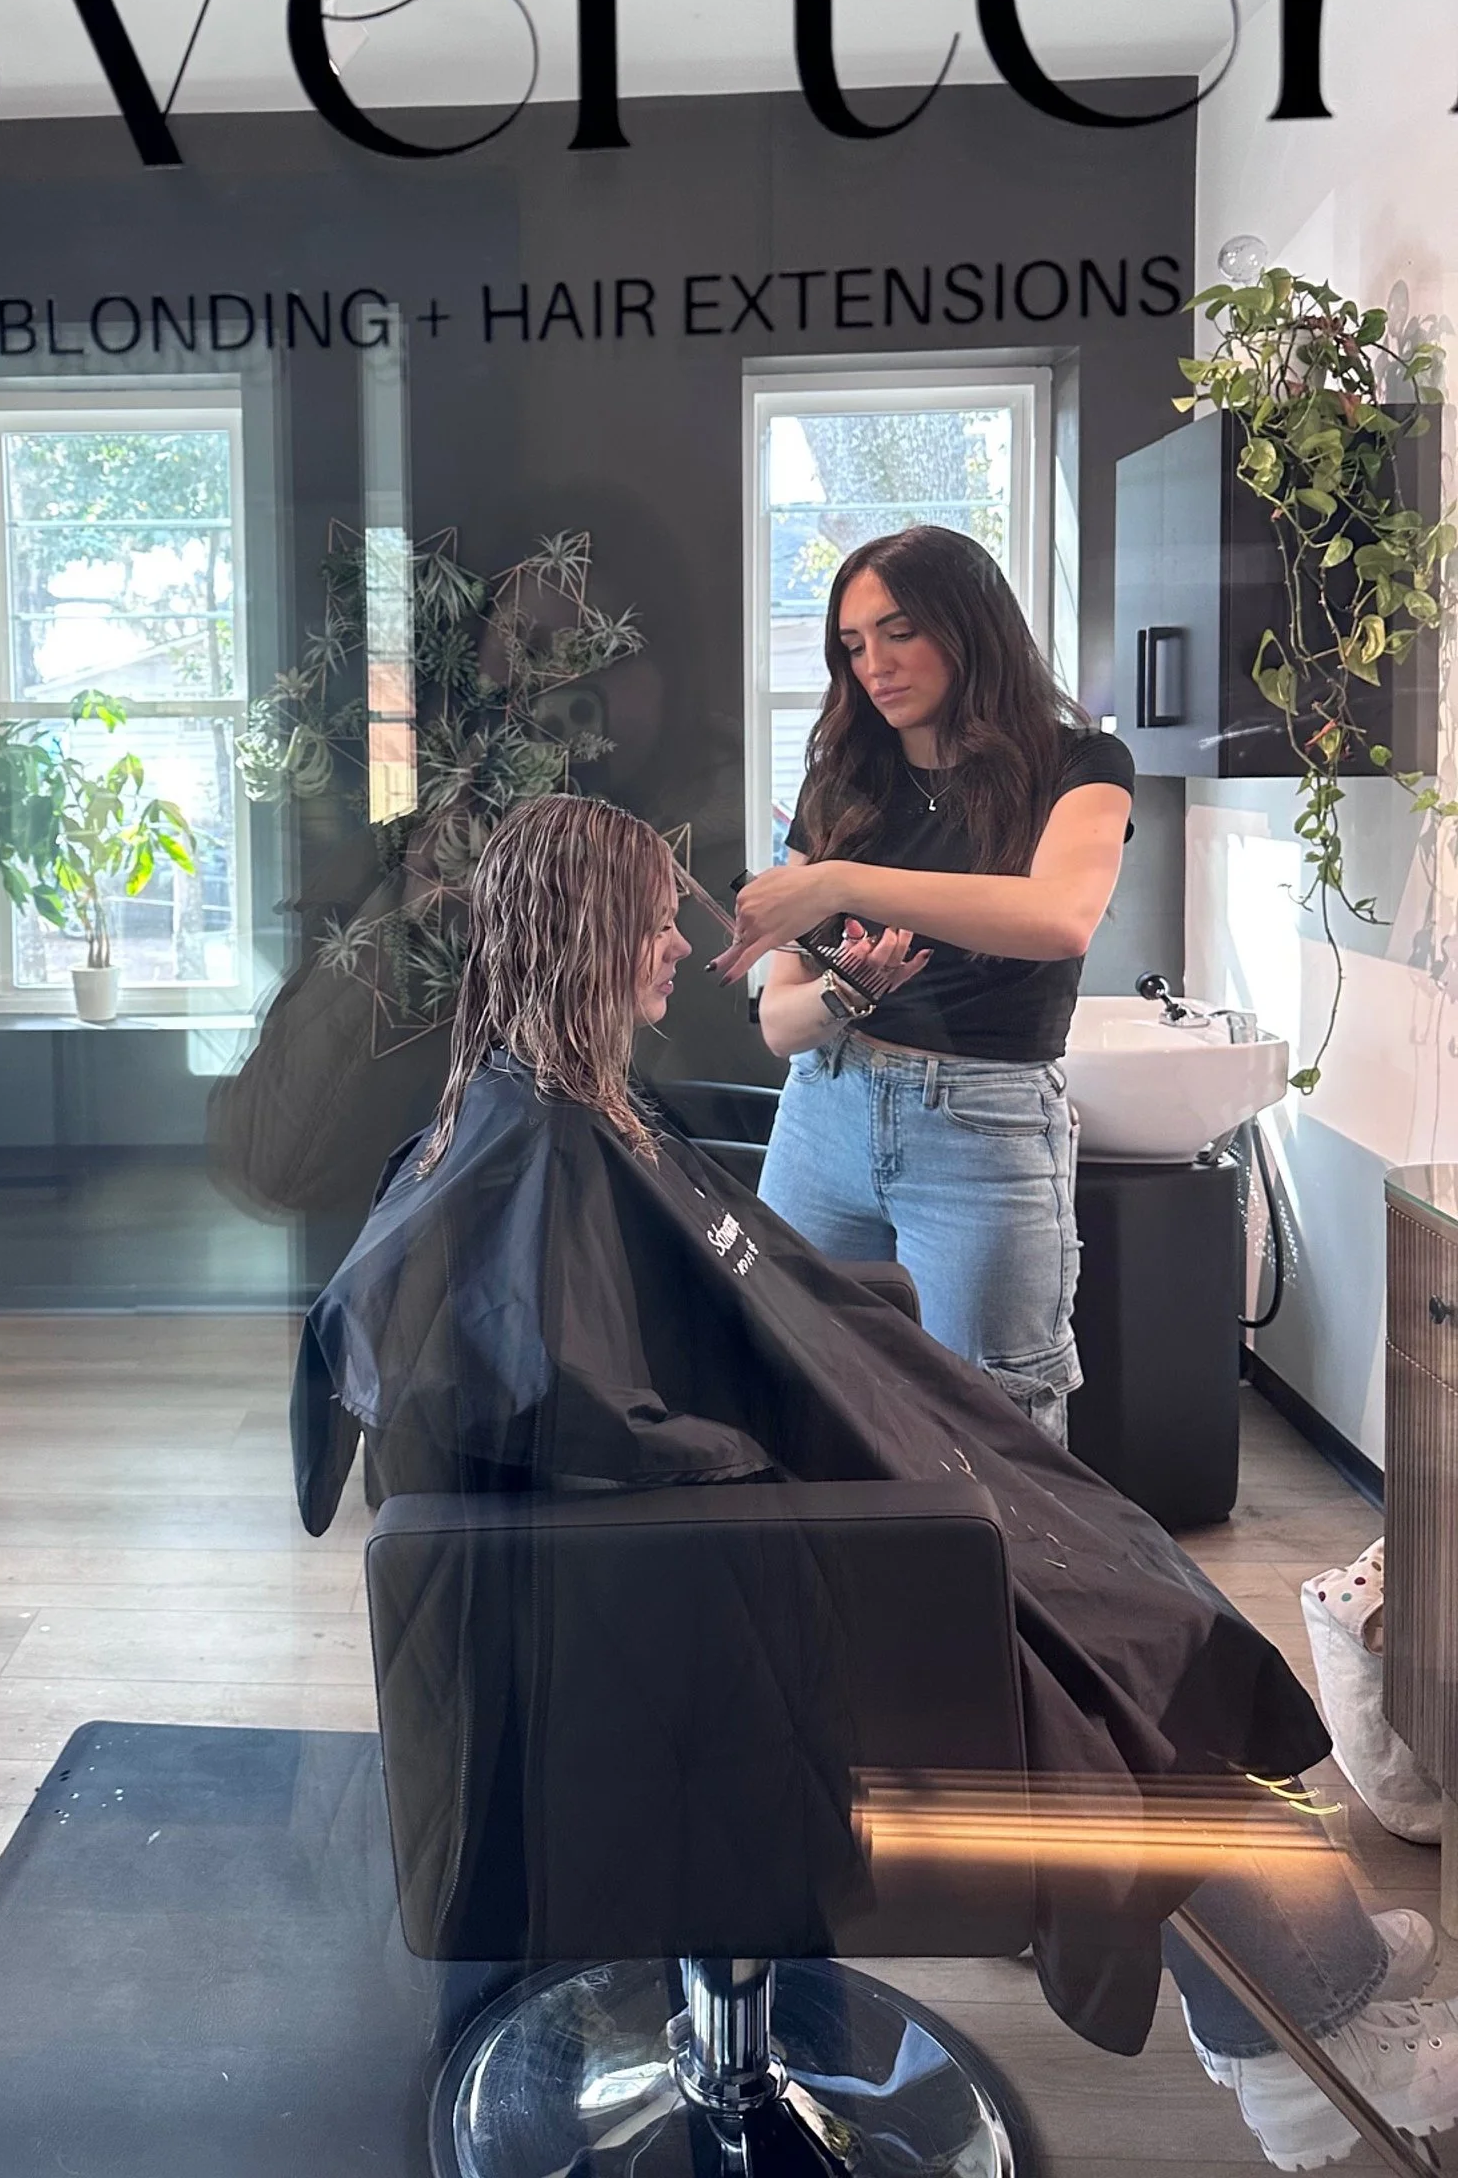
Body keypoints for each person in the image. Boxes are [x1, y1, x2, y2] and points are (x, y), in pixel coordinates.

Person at [293, 794, 1458, 2171]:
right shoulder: (531, 1155)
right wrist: (818, 1454)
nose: (681, 939)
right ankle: (1310, 2035)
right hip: (733, 1605)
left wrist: (856, 1383)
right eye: (655, 916)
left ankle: (1304, 1968)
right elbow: (594, 1416)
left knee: (1127, 1572)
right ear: (593, 935)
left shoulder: (534, 1112)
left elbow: (666, 1346)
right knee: (1115, 1637)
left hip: (782, 1535)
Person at [714, 523, 1133, 1442]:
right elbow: (781, 1026)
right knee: (802, 1386)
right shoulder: (844, 778)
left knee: (995, 1424)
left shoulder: (1080, 768)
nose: (875, 665)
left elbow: (1059, 916)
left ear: (968, 622)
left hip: (980, 1132)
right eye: (854, 645)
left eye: (898, 631)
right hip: (825, 1112)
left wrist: (838, 881)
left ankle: (1011, 1594)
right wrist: (848, 990)